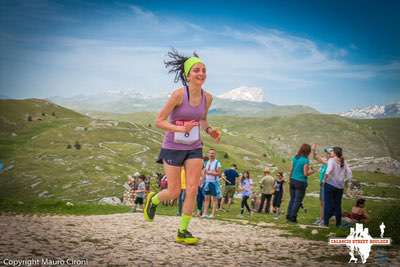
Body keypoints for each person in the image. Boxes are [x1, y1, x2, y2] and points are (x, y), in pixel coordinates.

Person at [144, 49, 221, 245]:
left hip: (194, 147)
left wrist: (210, 130)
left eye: (204, 70)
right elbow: (159, 121)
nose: (201, 73)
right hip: (172, 147)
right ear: (188, 74)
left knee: (193, 189)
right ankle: (153, 200)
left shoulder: (208, 98)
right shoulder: (179, 95)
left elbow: (202, 119)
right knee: (174, 191)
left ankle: (183, 231)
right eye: (196, 70)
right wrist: (179, 128)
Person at [323, 147, 352, 227]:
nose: (331, 153)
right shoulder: (343, 161)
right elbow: (349, 172)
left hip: (330, 184)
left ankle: (325, 223)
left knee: (327, 204)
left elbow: (328, 171)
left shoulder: (331, 160)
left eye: (332, 151)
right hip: (340, 186)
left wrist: (323, 181)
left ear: (335, 153)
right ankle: (338, 224)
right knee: (338, 205)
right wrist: (347, 182)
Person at [286, 144, 315, 223]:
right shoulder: (305, 160)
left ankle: (288, 215)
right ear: (307, 152)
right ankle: (293, 217)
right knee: (297, 200)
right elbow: (305, 173)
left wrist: (290, 179)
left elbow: (291, 169)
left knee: (292, 199)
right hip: (300, 181)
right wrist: (312, 171)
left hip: (292, 180)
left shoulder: (295, 157)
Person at [311, 144, 334, 226]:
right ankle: (321, 218)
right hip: (322, 184)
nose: (326, 154)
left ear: (332, 154)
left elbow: (319, 159)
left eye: (328, 153)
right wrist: (313, 151)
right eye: (326, 153)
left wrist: (314, 152)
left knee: (325, 203)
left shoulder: (331, 162)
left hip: (327, 184)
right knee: (322, 203)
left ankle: (324, 220)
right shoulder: (326, 160)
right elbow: (315, 157)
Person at [202, 148, 222, 218]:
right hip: (207, 182)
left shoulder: (217, 163)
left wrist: (211, 173)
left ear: (215, 154)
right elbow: (204, 173)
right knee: (206, 198)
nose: (211, 154)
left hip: (214, 183)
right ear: (208, 154)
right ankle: (205, 213)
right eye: (210, 153)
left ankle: (213, 214)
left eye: (213, 153)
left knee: (214, 199)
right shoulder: (206, 162)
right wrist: (202, 181)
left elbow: (219, 173)